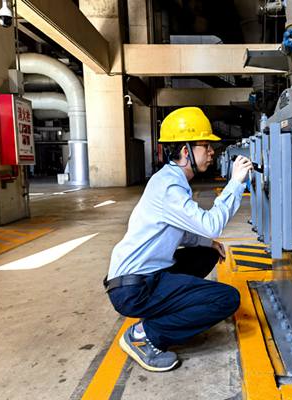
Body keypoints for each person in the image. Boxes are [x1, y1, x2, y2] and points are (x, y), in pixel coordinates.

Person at [104, 107, 253, 372]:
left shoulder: (171, 180)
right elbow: (211, 224)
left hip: (141, 277)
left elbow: (181, 231)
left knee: (207, 253)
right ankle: (145, 335)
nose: (212, 151)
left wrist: (208, 243)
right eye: (205, 145)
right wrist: (236, 183)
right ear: (186, 152)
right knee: (227, 299)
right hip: (134, 288)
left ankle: (167, 312)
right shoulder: (169, 186)